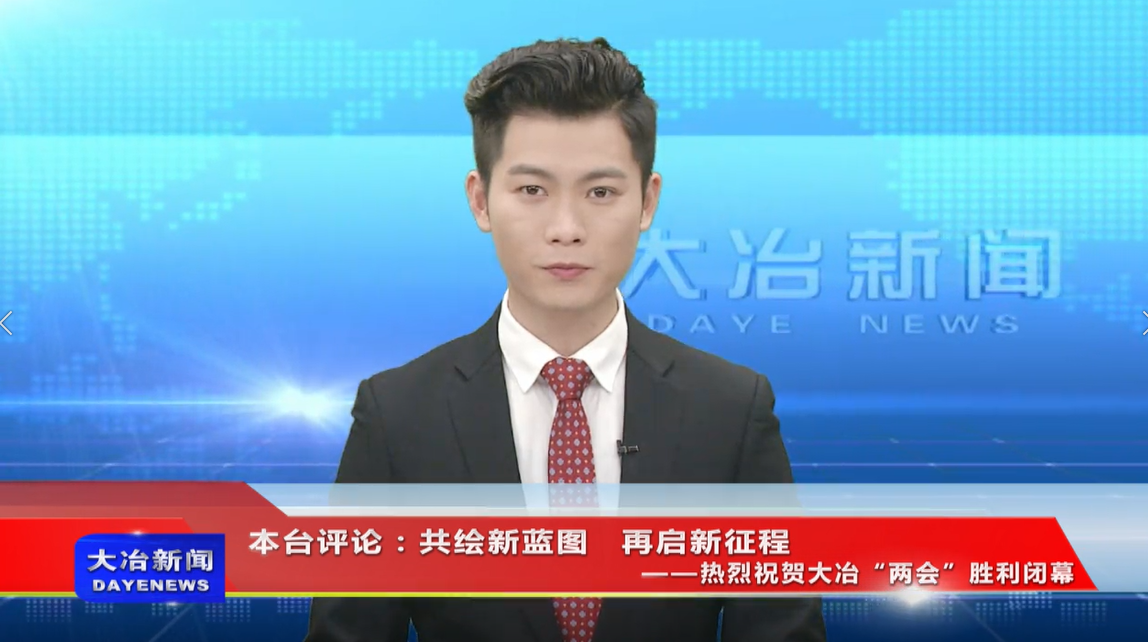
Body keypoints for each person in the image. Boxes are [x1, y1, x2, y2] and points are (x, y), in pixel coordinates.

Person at [306, 37, 826, 642]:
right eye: (532, 190)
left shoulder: (731, 408)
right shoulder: (398, 414)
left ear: (647, 201)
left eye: (600, 192)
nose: (566, 229)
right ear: (480, 200)